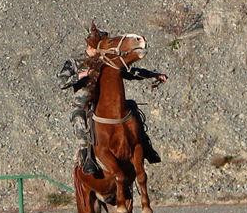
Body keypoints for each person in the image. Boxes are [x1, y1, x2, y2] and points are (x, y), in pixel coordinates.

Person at [58, 28, 166, 176]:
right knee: (79, 118)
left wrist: (153, 74)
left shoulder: (106, 61)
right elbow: (62, 82)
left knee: (132, 108)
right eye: (97, 47)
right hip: (85, 102)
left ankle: (145, 145)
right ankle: (87, 157)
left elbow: (130, 72)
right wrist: (83, 74)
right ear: (90, 46)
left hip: (108, 101)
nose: (98, 50)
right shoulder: (74, 61)